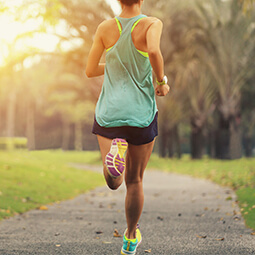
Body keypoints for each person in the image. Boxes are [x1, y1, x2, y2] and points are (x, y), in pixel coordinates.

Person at [86, 0, 169, 254]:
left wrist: (113, 63)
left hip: (110, 113)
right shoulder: (152, 24)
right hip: (140, 114)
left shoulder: (104, 28)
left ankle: (116, 155)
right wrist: (161, 81)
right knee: (135, 181)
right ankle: (131, 237)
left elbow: (90, 70)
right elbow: (153, 52)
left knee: (114, 182)